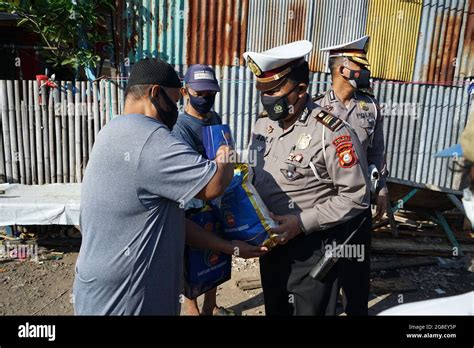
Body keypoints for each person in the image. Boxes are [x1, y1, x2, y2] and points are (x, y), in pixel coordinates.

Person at [73, 58, 267, 315]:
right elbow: (214, 186)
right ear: (155, 93)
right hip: (129, 299)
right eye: (175, 101)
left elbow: (172, 221)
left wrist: (228, 247)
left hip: (107, 289)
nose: (176, 110)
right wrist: (225, 154)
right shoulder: (151, 138)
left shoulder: (112, 130)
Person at [244, 41, 370, 315]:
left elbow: (357, 196)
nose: (266, 98)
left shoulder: (332, 133)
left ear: (300, 90)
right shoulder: (263, 125)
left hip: (312, 248)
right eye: (262, 91)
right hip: (272, 244)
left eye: (274, 91)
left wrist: (300, 223)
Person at [318, 36, 387, 315]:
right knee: (326, 269)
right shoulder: (316, 108)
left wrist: (381, 189)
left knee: (358, 271)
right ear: (342, 69)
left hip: (359, 204)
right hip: (326, 202)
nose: (366, 72)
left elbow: (377, 152)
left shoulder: (370, 107)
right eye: (360, 65)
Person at [172, 64, 234, 316]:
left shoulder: (215, 118)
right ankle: (192, 310)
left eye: (210, 93)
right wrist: (219, 164)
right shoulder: (179, 127)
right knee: (193, 261)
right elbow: (186, 170)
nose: (205, 98)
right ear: (185, 91)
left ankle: (211, 305)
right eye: (200, 93)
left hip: (217, 200)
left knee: (217, 253)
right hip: (192, 205)